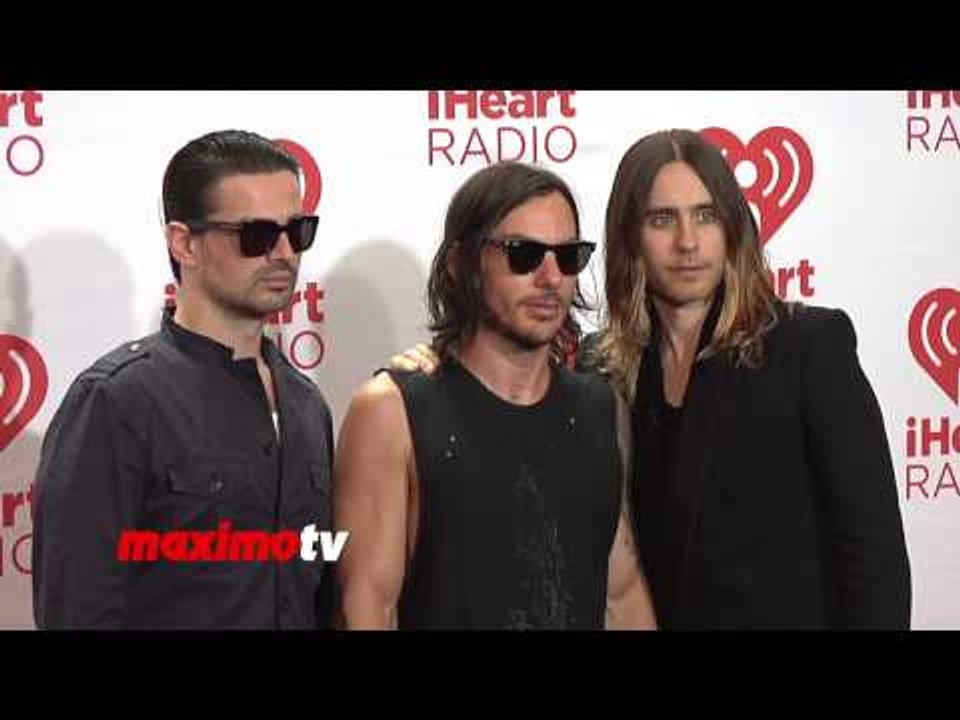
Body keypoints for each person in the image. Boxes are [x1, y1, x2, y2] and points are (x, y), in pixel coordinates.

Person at [391, 130, 912, 629]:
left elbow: (872, 551)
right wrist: (439, 368)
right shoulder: (600, 371)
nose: (688, 242)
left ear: (732, 227)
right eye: (663, 219)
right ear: (629, 236)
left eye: (705, 216)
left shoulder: (807, 345)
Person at [32, 129, 336, 629]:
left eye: (298, 231)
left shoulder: (307, 405)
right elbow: (78, 609)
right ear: (184, 243)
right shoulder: (116, 400)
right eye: (256, 235)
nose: (283, 252)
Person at [333, 161, 656, 630]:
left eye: (568, 257)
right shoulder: (392, 410)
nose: (550, 278)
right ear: (459, 263)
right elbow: (366, 607)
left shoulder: (599, 408)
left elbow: (621, 593)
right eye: (523, 254)